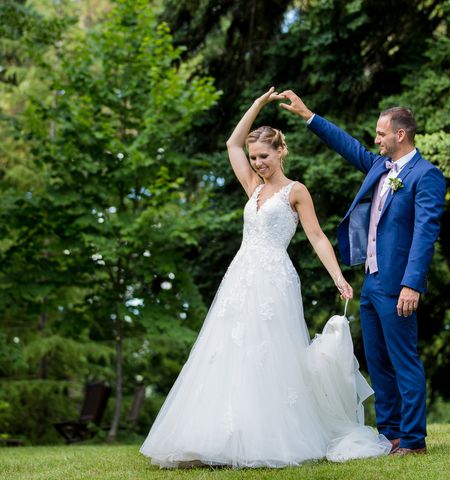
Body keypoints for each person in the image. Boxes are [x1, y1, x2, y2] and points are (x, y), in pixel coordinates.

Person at [139, 87, 391, 468]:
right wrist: (258, 105)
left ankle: (270, 436)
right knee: (228, 352)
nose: (257, 163)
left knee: (268, 355)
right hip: (240, 277)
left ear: (280, 152)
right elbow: (232, 143)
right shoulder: (252, 187)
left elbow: (317, 237)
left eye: (264, 157)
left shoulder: (296, 191)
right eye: (254, 158)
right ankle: (220, 437)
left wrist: (338, 276)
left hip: (275, 279)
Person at [279, 90, 446, 455]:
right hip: (371, 282)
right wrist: (309, 115)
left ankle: (415, 440)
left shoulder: (426, 176)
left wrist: (412, 284)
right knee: (377, 361)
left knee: (404, 360)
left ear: (400, 134)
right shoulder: (379, 168)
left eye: (381, 133)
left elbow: (425, 235)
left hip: (399, 284)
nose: (376, 139)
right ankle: (391, 435)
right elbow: (349, 146)